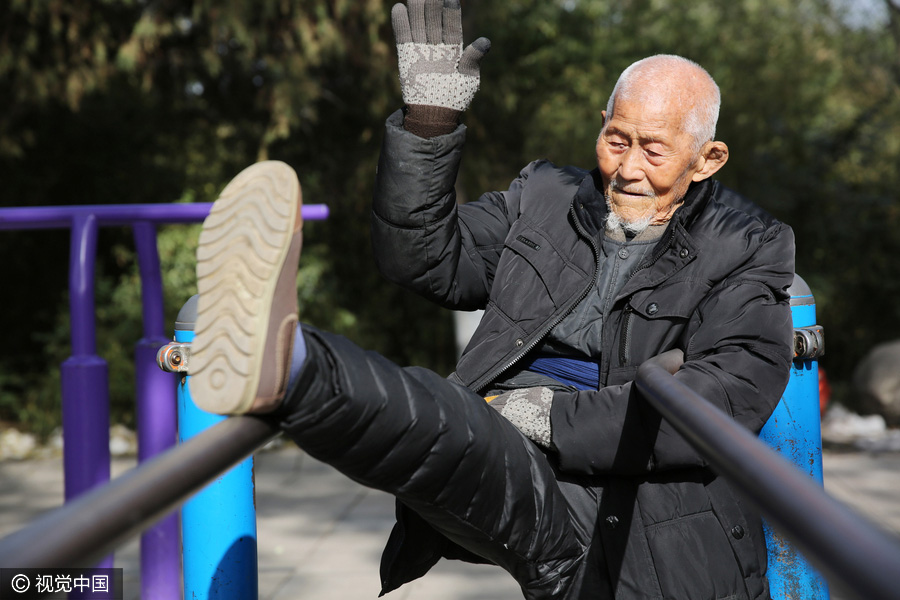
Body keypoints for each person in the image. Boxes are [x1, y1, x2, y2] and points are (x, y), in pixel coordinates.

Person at [187, 0, 795, 598]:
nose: (627, 168)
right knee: (434, 417)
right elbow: (422, 258)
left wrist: (545, 418)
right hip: (510, 455)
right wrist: (429, 124)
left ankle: (291, 369)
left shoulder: (748, 246)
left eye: (653, 150)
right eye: (616, 139)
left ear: (706, 159)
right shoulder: (545, 197)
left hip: (646, 516)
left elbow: (721, 401)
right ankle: (286, 367)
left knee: (460, 422)